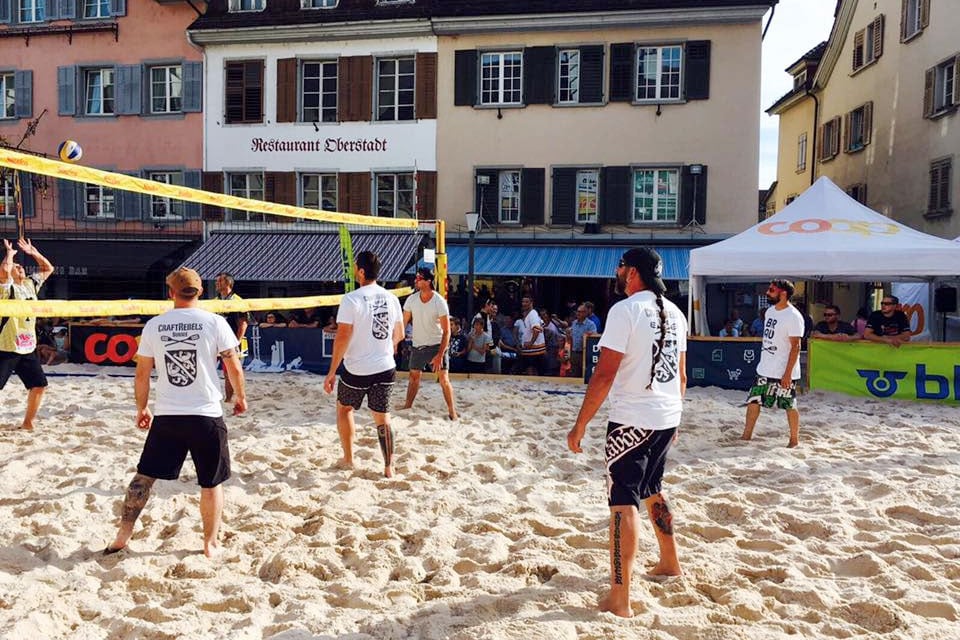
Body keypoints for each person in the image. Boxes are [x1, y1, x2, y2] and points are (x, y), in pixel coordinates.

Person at [567, 248, 687, 618]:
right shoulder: (676, 312)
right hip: (666, 414)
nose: (617, 272)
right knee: (652, 488)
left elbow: (604, 374)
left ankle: (620, 597)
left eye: (620, 266)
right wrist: (675, 418)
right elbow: (681, 376)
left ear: (632, 272)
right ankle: (670, 562)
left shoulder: (625, 310)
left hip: (633, 418)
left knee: (622, 502)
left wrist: (581, 423)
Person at [105, 267, 247, 557]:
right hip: (206, 414)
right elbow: (233, 365)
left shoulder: (155, 325)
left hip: (168, 415)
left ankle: (123, 534)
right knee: (211, 484)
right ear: (201, 292)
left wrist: (142, 407)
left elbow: (142, 374)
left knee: (143, 478)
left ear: (170, 293)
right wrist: (240, 397)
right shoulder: (215, 321)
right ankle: (210, 543)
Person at [323, 251, 404, 478]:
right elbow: (398, 335)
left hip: (357, 369)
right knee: (382, 417)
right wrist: (385, 348)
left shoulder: (351, 299)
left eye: (355, 266)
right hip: (385, 366)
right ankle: (388, 467)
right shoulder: (392, 298)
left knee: (344, 408)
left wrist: (331, 371)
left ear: (360, 271)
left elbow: (342, 337)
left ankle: (349, 459)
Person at [741, 279, 804, 448]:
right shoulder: (770, 311)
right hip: (765, 367)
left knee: (789, 404)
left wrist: (787, 374)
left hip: (784, 370)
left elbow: (796, 347)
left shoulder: (794, 316)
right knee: (754, 401)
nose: (767, 293)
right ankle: (746, 435)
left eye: (771, 290)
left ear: (783, 293)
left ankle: (794, 440)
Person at [0, 239, 55, 430]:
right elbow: (4, 272)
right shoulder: (6, 288)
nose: (20, 267)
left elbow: (48, 268)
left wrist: (34, 252)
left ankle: (28, 422)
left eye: (21, 266)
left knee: (39, 385)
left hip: (27, 347)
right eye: (16, 267)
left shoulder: (30, 284)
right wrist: (9, 254)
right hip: (6, 347)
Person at [401, 267, 457, 420]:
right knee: (413, 377)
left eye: (419, 278)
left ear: (428, 281)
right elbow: (402, 323)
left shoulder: (439, 301)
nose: (416, 280)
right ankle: (407, 405)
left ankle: (452, 411)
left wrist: (440, 355)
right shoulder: (412, 299)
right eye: (417, 277)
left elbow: (447, 331)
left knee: (443, 379)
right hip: (418, 345)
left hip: (436, 344)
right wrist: (395, 341)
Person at [214, 272, 250, 404]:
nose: (216, 283)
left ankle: (230, 399)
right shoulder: (215, 301)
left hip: (232, 341)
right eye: (217, 281)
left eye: (219, 281)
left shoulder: (237, 301)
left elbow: (243, 324)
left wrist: (236, 342)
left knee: (231, 371)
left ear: (228, 283)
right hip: (216, 341)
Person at [568, 304, 598, 378]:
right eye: (577, 311)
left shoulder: (591, 324)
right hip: (574, 352)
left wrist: (589, 335)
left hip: (585, 354)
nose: (578, 313)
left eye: (580, 312)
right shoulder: (574, 323)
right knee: (574, 374)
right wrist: (570, 353)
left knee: (584, 375)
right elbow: (571, 338)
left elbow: (595, 337)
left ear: (585, 313)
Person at [518, 296, 546, 375]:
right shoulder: (532, 314)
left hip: (534, 351)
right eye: (523, 302)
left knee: (531, 371)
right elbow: (542, 326)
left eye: (526, 302)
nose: (524, 304)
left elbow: (536, 330)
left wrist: (531, 342)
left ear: (531, 303)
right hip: (531, 350)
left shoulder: (532, 314)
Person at [473, 298, 502, 374]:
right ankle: (497, 374)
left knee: (497, 351)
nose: (492, 309)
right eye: (491, 306)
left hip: (487, 342)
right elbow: (479, 332)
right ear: (486, 305)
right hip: (480, 342)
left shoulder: (486, 316)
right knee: (497, 353)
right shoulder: (480, 317)